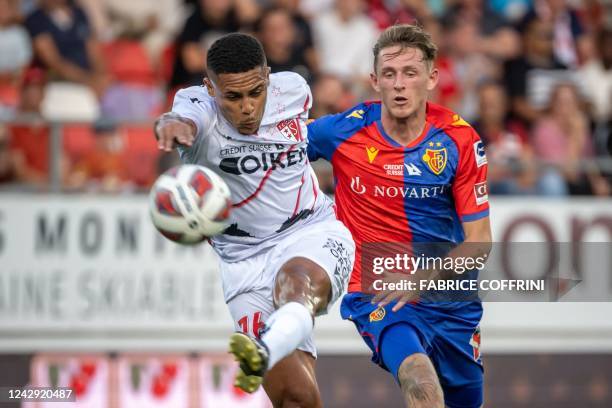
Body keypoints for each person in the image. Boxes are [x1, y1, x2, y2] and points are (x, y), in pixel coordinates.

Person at [154, 33, 355, 407]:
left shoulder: (294, 90)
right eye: (232, 97)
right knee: (295, 398)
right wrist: (175, 128)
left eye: (255, 92)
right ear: (209, 88)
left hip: (312, 230)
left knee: (293, 283)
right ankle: (270, 345)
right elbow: (184, 118)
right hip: (241, 263)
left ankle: (264, 348)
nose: (247, 107)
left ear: (267, 75)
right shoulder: (196, 107)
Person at [307, 24, 492, 407]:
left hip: (450, 302)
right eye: (389, 74)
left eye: (410, 73)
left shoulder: (459, 139)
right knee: (419, 378)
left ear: (432, 78)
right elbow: (275, 154)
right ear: (375, 81)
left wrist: (423, 277)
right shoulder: (344, 131)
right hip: (379, 292)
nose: (399, 84)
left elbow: (479, 243)